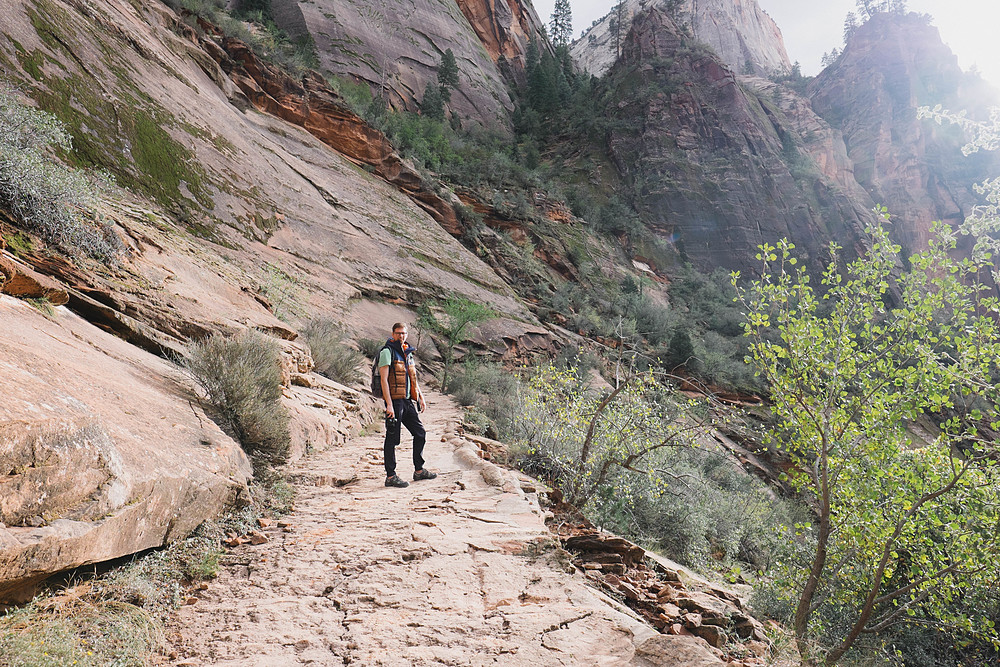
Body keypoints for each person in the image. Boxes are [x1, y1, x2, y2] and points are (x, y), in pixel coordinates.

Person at [378, 322, 437, 488]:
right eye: (398, 333)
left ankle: (419, 471)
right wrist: (389, 404)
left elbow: (413, 378)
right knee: (392, 439)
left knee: (420, 433)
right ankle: (391, 476)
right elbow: (384, 380)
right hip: (395, 402)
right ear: (392, 333)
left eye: (403, 333)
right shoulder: (387, 352)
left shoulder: (408, 353)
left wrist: (420, 397)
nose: (401, 336)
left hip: (407, 401)